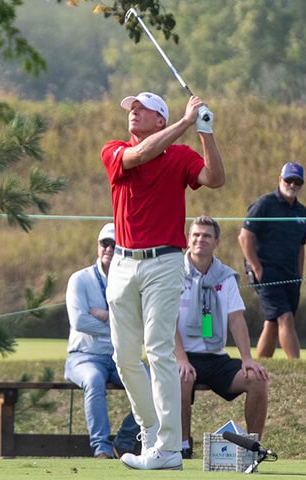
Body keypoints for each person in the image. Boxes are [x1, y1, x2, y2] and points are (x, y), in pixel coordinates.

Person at [101, 91, 225, 470]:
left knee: (158, 349)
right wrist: (186, 122)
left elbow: (215, 179)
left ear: (160, 119)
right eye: (131, 109)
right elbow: (139, 155)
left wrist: (205, 132)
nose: (133, 113)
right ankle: (151, 430)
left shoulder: (181, 156)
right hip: (122, 263)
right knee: (124, 358)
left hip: (165, 261)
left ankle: (170, 446)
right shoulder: (115, 150)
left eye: (142, 109)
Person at [175, 216, 269, 459]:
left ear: (216, 241)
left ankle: (253, 449)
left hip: (216, 358)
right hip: (182, 356)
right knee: (181, 378)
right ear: (188, 240)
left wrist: (247, 358)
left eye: (206, 236)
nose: (200, 240)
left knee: (257, 380)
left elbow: (236, 319)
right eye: (196, 235)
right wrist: (181, 359)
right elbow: (167, 322)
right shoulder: (173, 273)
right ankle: (182, 446)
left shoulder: (226, 277)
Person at [64, 223, 139, 459]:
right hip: (83, 356)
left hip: (120, 355)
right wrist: (117, 324)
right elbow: (79, 321)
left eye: (114, 245)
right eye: (104, 243)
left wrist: (105, 316)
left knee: (153, 384)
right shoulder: (79, 279)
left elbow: (138, 322)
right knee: (94, 380)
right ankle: (102, 449)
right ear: (98, 247)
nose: (108, 248)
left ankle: (124, 441)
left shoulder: (131, 281)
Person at [239, 162, 306, 359]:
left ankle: (262, 365)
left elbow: (301, 246)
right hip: (267, 271)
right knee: (285, 318)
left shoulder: (303, 213)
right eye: (289, 180)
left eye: (298, 182)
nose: (293, 185)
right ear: (280, 180)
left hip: (290, 274)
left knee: (272, 322)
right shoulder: (264, 204)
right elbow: (244, 237)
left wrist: (299, 274)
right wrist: (257, 268)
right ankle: (298, 366)